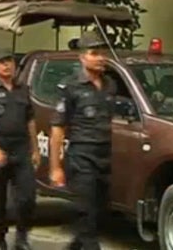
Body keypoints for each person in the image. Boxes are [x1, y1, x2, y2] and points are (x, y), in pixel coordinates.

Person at [49, 31, 117, 250]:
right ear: (82, 58)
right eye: (94, 53)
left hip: (104, 157)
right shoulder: (71, 87)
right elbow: (58, 128)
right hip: (81, 157)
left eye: (102, 53)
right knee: (86, 215)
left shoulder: (110, 85)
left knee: (99, 215)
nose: (100, 57)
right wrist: (55, 167)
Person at [0, 49, 40, 250]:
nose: (7, 66)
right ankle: (0, 240)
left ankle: (21, 237)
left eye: (9, 61)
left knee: (28, 196)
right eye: (1, 62)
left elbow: (30, 120)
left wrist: (35, 148)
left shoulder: (23, 89)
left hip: (20, 150)